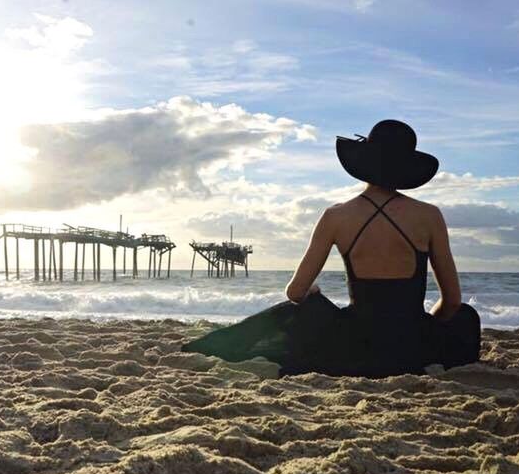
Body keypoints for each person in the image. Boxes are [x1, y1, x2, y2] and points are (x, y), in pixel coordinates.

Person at [182, 119, 480, 378]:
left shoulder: (336, 216)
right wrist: (424, 326)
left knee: (296, 310)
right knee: (466, 317)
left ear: (365, 162)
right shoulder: (429, 215)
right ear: (406, 169)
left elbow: (295, 292)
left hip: (353, 343)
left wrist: (313, 294)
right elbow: (452, 300)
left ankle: (210, 346)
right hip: (409, 347)